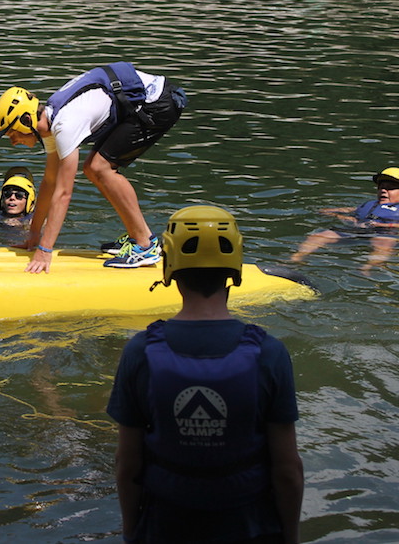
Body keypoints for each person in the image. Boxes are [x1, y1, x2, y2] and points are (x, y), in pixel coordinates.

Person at [107, 205, 304, 544]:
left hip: (165, 525)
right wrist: (290, 537)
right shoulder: (269, 352)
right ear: (236, 269)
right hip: (250, 526)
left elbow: (128, 465)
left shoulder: (139, 351)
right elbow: (287, 470)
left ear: (168, 267)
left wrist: (130, 532)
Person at [0, 62, 187, 272]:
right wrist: (34, 237)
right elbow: (49, 183)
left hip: (158, 103)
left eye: (12, 134)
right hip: (143, 103)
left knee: (99, 168)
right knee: (94, 168)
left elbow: (64, 193)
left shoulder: (65, 125)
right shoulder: (50, 123)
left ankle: (145, 245)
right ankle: (137, 237)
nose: (13, 142)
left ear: (26, 120)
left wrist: (44, 251)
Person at [290, 167, 399, 273]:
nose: (384, 190)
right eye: (381, 187)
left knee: (385, 243)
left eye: (391, 188)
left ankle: (367, 268)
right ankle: (297, 258)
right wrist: (337, 216)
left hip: (384, 232)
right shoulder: (365, 206)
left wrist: (392, 224)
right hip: (356, 230)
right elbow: (338, 210)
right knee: (318, 236)